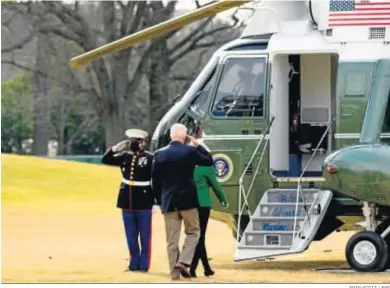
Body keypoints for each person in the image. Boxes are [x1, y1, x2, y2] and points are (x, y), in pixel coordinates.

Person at [151, 123, 214, 280]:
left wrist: (159, 200)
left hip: (168, 201)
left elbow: (155, 180)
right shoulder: (190, 151)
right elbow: (208, 161)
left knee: (171, 240)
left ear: (171, 136)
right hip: (188, 200)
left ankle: (174, 274)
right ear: (185, 136)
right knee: (194, 232)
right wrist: (198, 145)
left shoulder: (159, 154)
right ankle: (184, 261)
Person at [101, 129, 156, 272]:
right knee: (131, 236)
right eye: (133, 141)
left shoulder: (150, 158)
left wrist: (155, 202)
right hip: (127, 201)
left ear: (143, 142)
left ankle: (144, 265)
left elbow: (156, 181)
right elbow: (105, 160)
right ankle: (133, 263)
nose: (135, 143)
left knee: (145, 237)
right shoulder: (125, 156)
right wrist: (113, 149)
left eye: (138, 141)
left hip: (144, 201)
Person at [190, 140, 229, 278]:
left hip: (190, 204)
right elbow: (216, 187)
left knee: (195, 235)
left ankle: (205, 268)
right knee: (200, 237)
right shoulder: (206, 169)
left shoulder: (190, 168)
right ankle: (194, 268)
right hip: (203, 204)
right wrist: (224, 201)